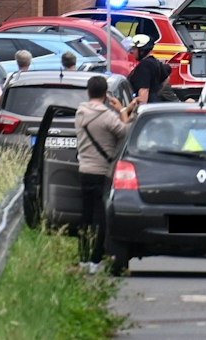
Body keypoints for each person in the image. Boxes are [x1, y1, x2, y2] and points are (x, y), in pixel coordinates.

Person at [74, 75, 128, 270]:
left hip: (84, 170)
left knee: (85, 215)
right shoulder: (107, 116)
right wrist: (122, 109)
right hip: (102, 172)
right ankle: (96, 259)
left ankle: (83, 257)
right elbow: (124, 132)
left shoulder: (80, 113)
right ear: (106, 94)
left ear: (88, 92)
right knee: (101, 218)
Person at [126, 35, 169, 110]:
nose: (132, 51)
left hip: (148, 107)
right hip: (155, 104)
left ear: (142, 51)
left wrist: (140, 111)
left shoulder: (145, 65)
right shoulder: (155, 62)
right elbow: (166, 78)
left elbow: (144, 91)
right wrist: (156, 92)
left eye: (135, 48)